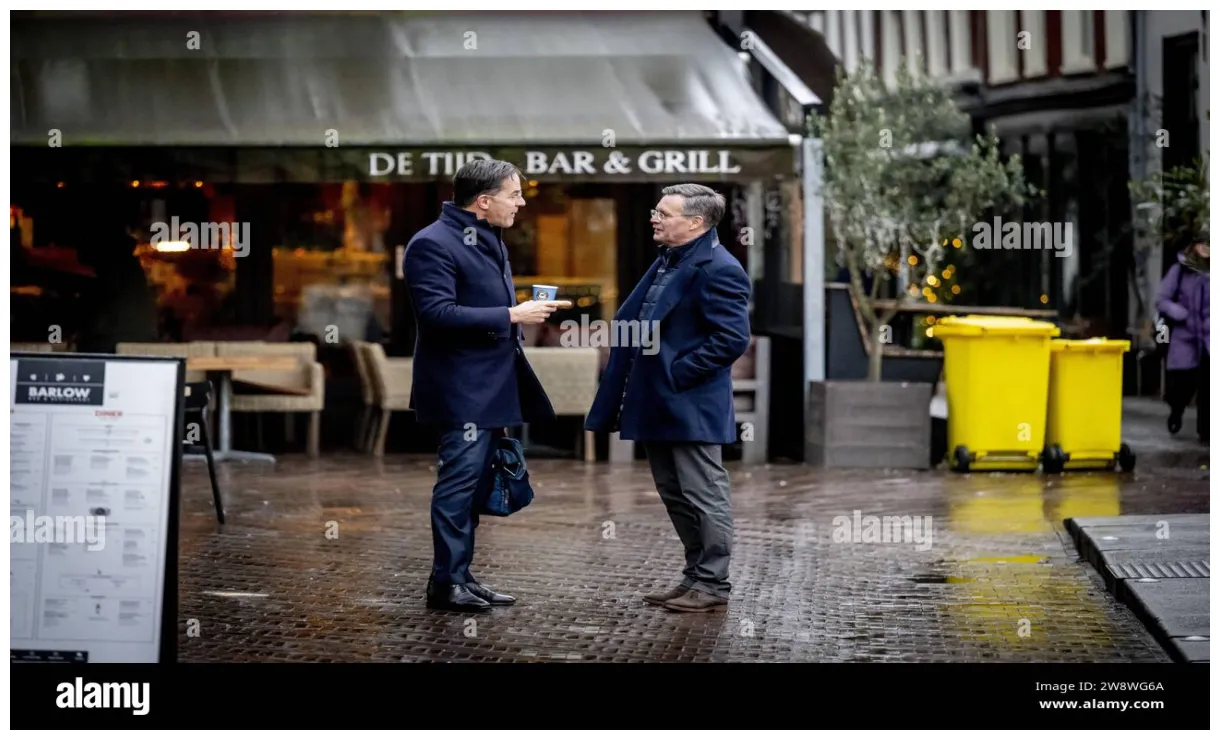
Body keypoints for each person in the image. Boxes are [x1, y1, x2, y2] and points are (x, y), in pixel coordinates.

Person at [402, 159, 565, 612]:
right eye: (515, 194)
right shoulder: (430, 244)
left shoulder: (488, 238)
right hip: (460, 389)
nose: (522, 202)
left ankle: (461, 577)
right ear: (484, 201)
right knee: (457, 486)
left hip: (491, 387)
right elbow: (436, 315)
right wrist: (514, 315)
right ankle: (445, 584)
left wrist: (523, 309)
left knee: (475, 487)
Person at [585, 183, 752, 613]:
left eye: (665, 212)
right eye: (656, 211)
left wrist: (679, 372)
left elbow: (732, 338)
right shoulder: (669, 261)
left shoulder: (720, 267)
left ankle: (713, 583)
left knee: (703, 492)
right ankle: (695, 577)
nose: (654, 218)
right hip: (660, 399)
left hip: (689, 401)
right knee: (675, 492)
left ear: (695, 222)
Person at [1156, 232, 1210, 443]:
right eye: (1203, 244)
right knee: (1182, 384)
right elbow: (1162, 300)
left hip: (1210, 337)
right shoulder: (1179, 270)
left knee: (1208, 385)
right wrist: (1181, 313)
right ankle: (1176, 411)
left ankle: (1206, 430)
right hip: (1185, 336)